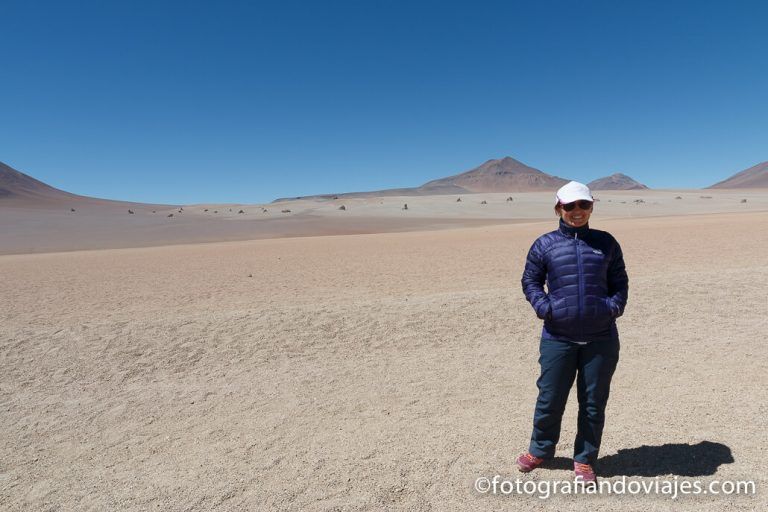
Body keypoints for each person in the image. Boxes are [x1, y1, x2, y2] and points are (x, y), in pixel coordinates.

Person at [515, 181, 628, 483]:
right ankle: (540, 449)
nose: (577, 212)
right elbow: (530, 281)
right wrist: (545, 308)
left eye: (584, 205)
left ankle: (585, 459)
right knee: (550, 398)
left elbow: (620, 282)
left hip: (601, 337)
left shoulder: (606, 243)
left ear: (592, 206)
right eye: (570, 206)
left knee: (593, 402)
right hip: (558, 337)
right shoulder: (545, 244)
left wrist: (612, 307)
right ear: (558, 208)